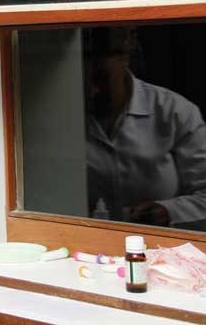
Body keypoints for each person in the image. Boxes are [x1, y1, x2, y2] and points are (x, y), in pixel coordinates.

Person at [84, 28, 206, 231]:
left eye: (102, 78)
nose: (93, 90)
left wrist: (168, 211)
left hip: (160, 241)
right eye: (83, 80)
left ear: (125, 57)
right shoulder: (62, 115)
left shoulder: (173, 112)